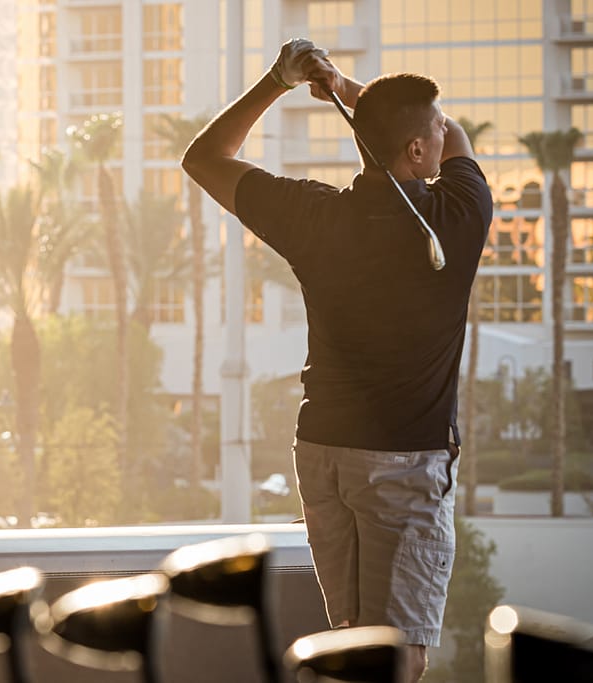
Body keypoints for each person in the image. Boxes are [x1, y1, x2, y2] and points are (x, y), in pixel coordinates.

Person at [181, 39, 492, 682]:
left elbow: (204, 158)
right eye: (428, 130)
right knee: (398, 654)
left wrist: (279, 81)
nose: (441, 133)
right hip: (404, 465)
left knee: (350, 644)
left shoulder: (314, 214)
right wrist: (351, 91)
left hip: (322, 450)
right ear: (416, 151)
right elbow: (453, 132)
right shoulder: (457, 217)